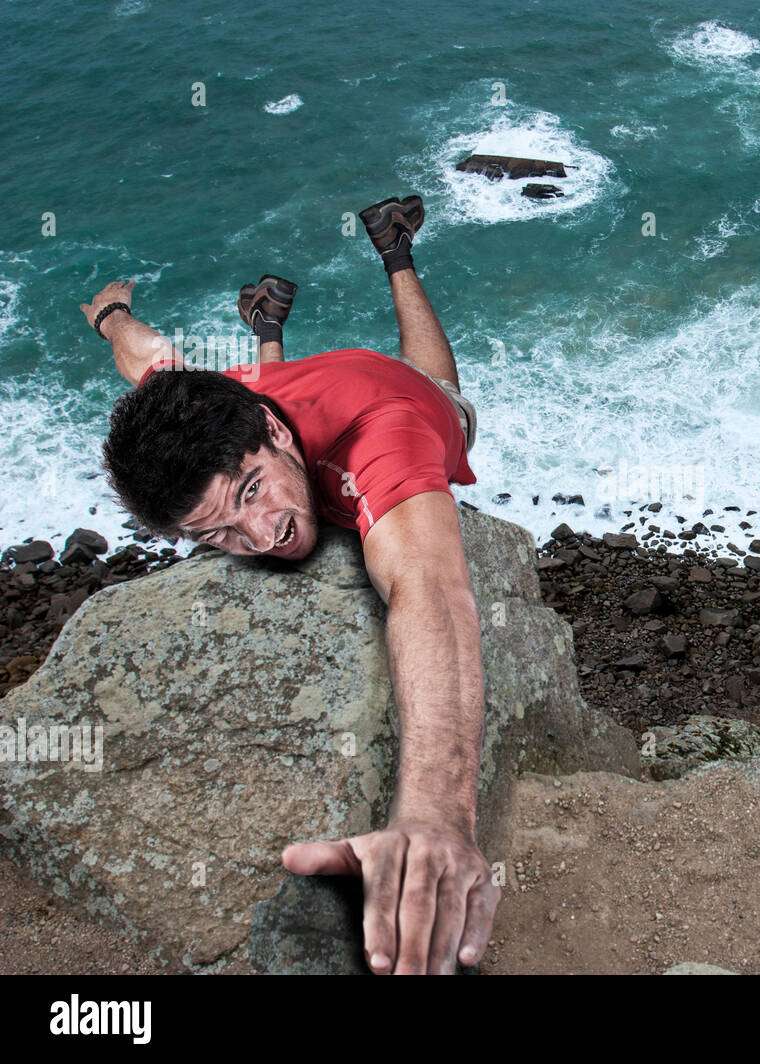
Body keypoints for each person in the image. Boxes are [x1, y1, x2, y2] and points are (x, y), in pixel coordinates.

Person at [81, 195, 499, 975]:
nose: (262, 537)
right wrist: (109, 314)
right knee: (237, 415)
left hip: (395, 394)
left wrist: (436, 818)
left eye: (249, 496)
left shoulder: (387, 444)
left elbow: (432, 593)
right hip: (288, 387)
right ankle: (276, 327)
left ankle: (396, 253)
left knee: (444, 388)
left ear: (272, 434)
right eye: (216, 537)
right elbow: (146, 358)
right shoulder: (216, 406)